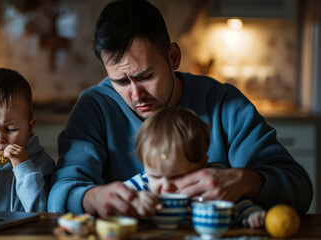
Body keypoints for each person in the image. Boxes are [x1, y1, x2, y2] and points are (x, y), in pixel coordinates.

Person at [48, 0, 312, 217]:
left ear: (173, 57)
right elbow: (60, 192)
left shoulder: (222, 102)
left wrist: (248, 182)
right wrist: (91, 198)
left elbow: (300, 188)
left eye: (145, 76)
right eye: (120, 81)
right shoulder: (94, 106)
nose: (136, 94)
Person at [125, 106, 265, 228]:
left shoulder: (212, 184)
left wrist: (253, 216)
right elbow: (116, 203)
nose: (166, 187)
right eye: (155, 176)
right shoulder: (142, 185)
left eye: (177, 176)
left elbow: (241, 208)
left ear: (201, 164)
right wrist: (133, 203)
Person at [0, 67, 56, 212]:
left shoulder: (41, 163)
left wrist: (24, 169)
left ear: (29, 127)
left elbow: (40, 211)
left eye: (11, 129)